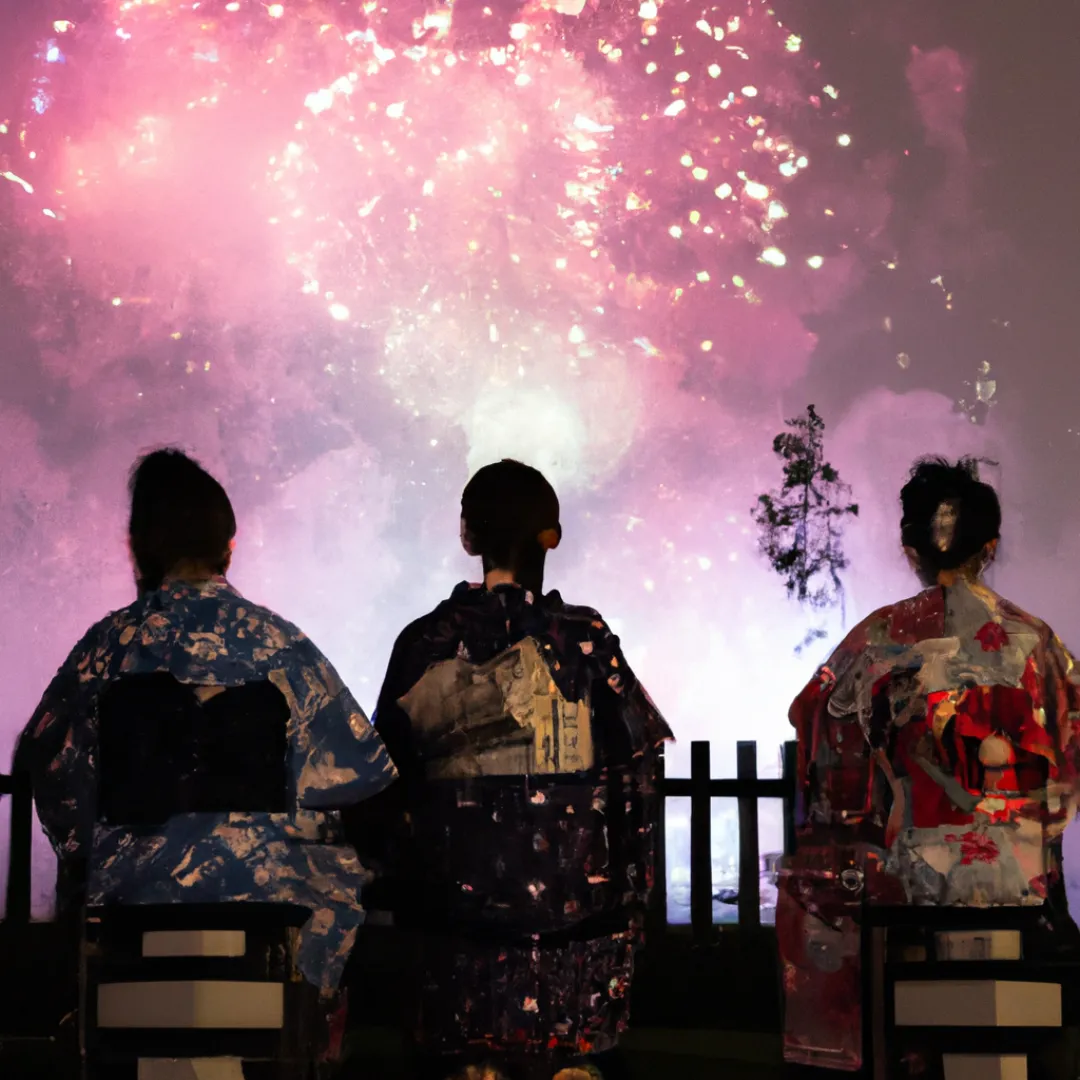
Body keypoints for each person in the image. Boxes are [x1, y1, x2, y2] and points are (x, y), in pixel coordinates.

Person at [13, 448, 397, 1060]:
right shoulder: (281, 645)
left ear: (139, 547)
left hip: (130, 934)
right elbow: (364, 777)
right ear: (228, 547)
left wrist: (98, 848)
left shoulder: (108, 648)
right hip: (275, 940)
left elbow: (45, 764)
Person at [358, 459, 672, 1080]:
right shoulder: (585, 640)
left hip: (454, 948)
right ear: (551, 536)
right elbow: (636, 768)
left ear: (467, 537)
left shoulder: (425, 644)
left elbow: (382, 782)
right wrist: (632, 896)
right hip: (576, 944)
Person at [777, 457, 1080, 1071]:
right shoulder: (1036, 643)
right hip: (1018, 887)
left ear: (909, 547)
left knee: (913, 1041)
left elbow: (817, 728)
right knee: (1009, 1051)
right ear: (989, 547)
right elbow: (1067, 762)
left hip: (904, 895)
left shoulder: (876, 639)